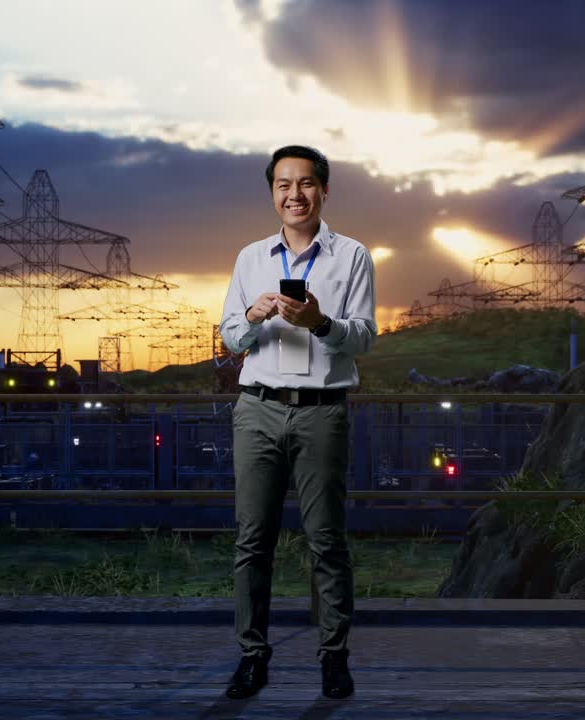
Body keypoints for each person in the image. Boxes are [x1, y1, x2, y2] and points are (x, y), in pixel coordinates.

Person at [218, 145, 377, 700]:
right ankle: (251, 657)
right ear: (272, 194)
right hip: (257, 408)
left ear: (324, 190)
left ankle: (334, 659)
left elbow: (365, 337)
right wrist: (252, 317)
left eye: (305, 183)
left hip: (322, 411)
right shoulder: (250, 258)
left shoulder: (352, 256)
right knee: (252, 540)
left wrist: (320, 321)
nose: (295, 194)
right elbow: (230, 338)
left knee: (327, 540)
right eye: (283, 185)